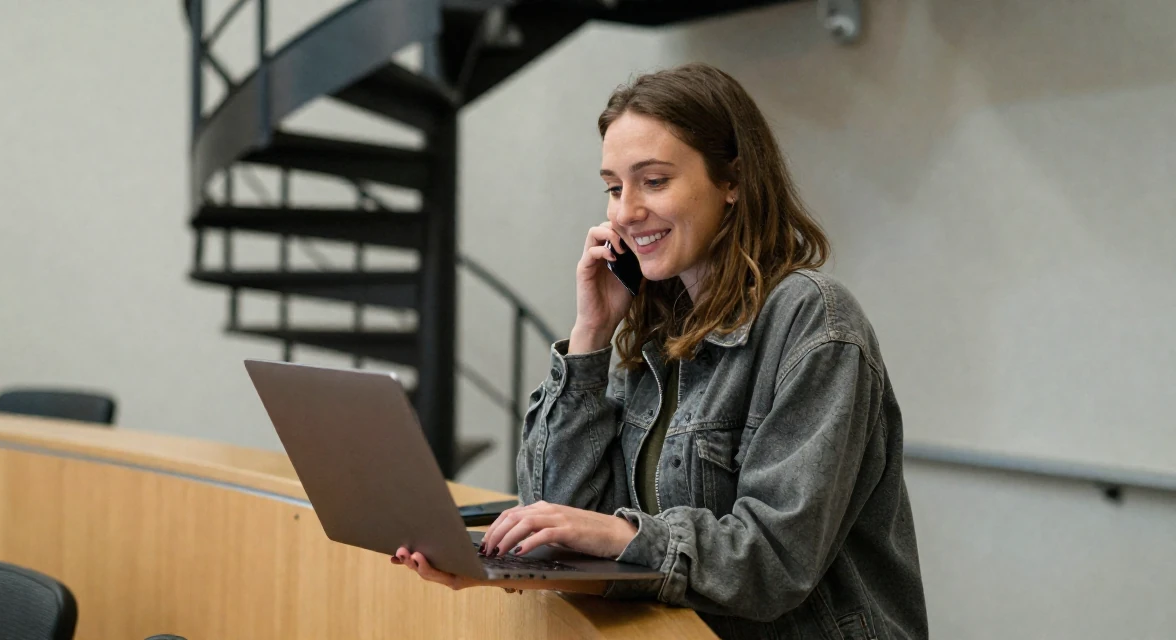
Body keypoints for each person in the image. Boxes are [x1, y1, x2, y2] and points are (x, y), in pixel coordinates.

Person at [393, 63, 928, 639]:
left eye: (653, 181)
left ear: (734, 182)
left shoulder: (813, 321)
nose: (625, 211)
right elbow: (558, 515)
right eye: (614, 187)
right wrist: (591, 335)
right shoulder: (651, 333)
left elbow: (773, 562)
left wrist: (621, 537)